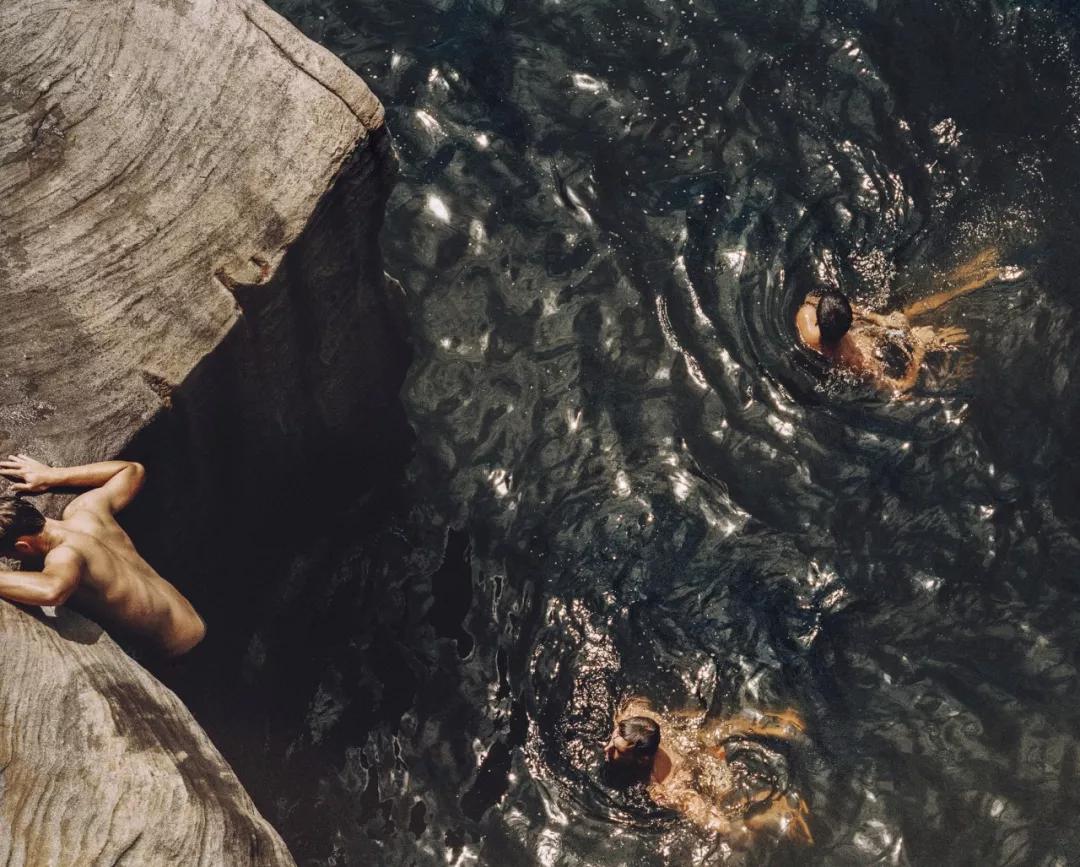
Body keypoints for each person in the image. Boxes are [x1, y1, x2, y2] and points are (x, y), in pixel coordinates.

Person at [0, 454, 205, 657]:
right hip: (196, 620)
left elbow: (52, 590)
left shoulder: (65, 554)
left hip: (180, 652)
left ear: (23, 546)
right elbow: (132, 470)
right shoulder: (85, 511)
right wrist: (51, 476)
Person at [605, 697, 812, 846]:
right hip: (681, 740)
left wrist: (746, 824)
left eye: (617, 750)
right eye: (614, 740)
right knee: (709, 733)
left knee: (724, 792)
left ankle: (776, 813)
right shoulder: (636, 719)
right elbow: (637, 701)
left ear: (642, 759)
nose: (607, 748)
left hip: (696, 765)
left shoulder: (664, 787)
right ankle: (774, 724)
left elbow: (719, 824)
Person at [795, 247, 1006, 393]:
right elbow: (901, 388)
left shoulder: (805, 317)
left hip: (862, 332)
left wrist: (879, 318)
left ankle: (969, 283)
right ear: (849, 322)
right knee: (927, 333)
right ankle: (974, 286)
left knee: (905, 315)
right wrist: (920, 349)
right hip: (872, 343)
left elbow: (822, 301)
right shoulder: (857, 362)